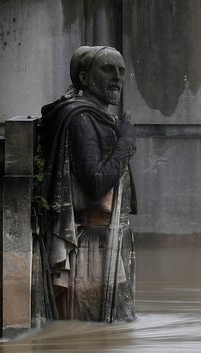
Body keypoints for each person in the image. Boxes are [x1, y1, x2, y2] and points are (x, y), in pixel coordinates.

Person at [34, 46, 137, 323]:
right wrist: (126, 142)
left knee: (107, 335)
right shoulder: (81, 119)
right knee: (92, 331)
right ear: (84, 77)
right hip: (88, 246)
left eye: (121, 71)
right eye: (107, 69)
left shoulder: (96, 118)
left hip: (103, 239)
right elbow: (96, 183)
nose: (117, 77)